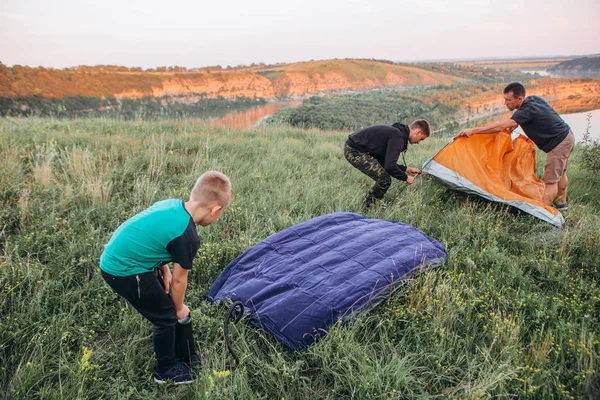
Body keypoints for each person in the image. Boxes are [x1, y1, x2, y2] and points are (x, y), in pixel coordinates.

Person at [100, 171, 232, 384]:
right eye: (221, 213)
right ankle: (166, 370)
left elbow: (154, 236)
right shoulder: (187, 237)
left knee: (172, 308)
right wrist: (178, 309)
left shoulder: (173, 205)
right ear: (215, 210)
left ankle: (186, 355)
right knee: (166, 316)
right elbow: (180, 282)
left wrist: (165, 270)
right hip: (123, 270)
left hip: (127, 258)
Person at [459, 82, 574, 210]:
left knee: (551, 181)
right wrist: (516, 123)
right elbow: (534, 116)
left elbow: (500, 126)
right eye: (505, 99)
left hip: (558, 143)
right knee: (561, 173)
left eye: (508, 100)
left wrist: (473, 131)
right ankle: (561, 204)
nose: (505, 103)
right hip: (567, 136)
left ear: (519, 99)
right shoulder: (532, 100)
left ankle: (543, 213)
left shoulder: (525, 111)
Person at [344, 120, 430, 208]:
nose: (419, 142)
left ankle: (372, 204)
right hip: (354, 150)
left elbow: (385, 161)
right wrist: (406, 177)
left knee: (384, 177)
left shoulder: (397, 133)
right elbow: (389, 166)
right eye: (421, 139)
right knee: (384, 179)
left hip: (357, 148)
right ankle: (368, 206)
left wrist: (406, 169)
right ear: (417, 132)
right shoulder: (398, 136)